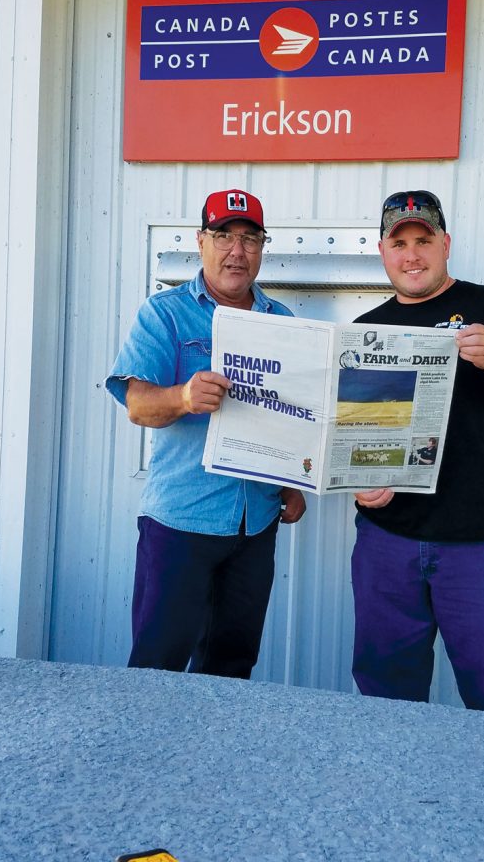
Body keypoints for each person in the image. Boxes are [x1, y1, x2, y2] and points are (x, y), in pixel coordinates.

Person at [351, 190, 484, 714]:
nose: (412, 255)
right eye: (399, 243)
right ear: (383, 251)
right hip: (387, 542)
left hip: (480, 543)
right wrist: (358, 485)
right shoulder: (364, 331)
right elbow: (351, 437)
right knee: (385, 698)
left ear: (446, 244)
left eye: (424, 240)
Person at [105, 188, 306, 677]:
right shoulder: (165, 314)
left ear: (262, 247)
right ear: (201, 241)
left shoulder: (283, 322)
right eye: (223, 236)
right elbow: (137, 405)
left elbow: (290, 416)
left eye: (250, 238)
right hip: (180, 524)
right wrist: (183, 398)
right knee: (158, 665)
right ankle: (148, 753)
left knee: (232, 667)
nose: (237, 251)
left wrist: (292, 483)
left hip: (254, 525)